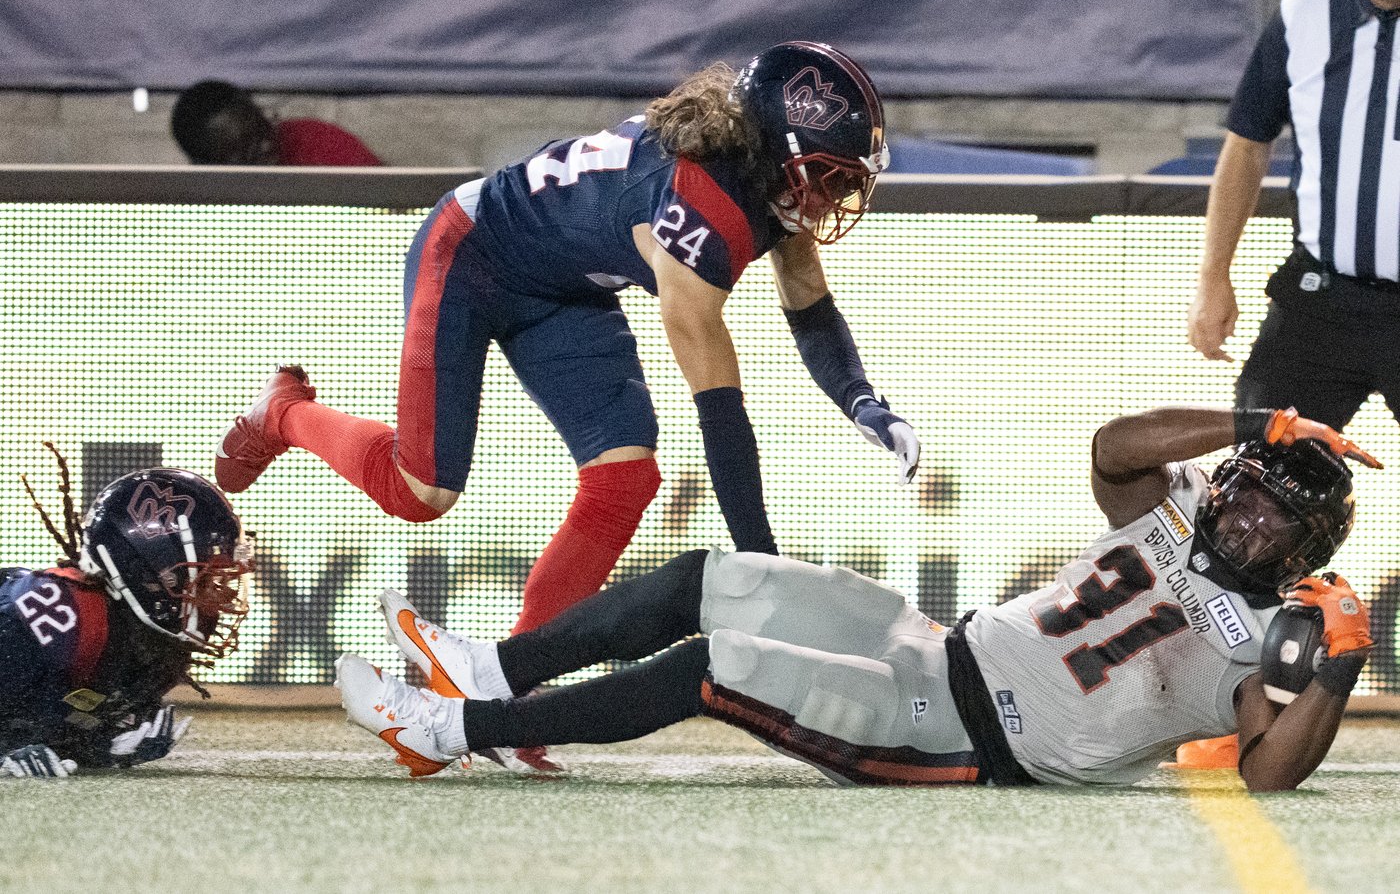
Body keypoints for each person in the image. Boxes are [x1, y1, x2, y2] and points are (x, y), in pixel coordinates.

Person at [214, 41, 919, 639]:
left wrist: (864, 403)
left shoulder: (758, 172)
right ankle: (282, 413)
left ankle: (509, 680)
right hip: (472, 254)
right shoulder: (699, 212)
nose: (831, 198)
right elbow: (722, 418)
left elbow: (809, 304)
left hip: (563, 283)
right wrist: (763, 567)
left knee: (624, 479)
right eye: (826, 176)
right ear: (774, 152)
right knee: (420, 490)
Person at [336, 406, 1378, 790]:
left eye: (1269, 516)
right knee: (713, 578)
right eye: (1245, 487)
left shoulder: (1277, 631)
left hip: (963, 734)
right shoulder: (1177, 500)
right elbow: (1112, 446)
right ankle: (490, 666)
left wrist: (1334, 663)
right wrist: (1257, 420)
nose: (1241, 515)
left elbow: (1268, 772)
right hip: (934, 642)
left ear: (1308, 546)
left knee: (718, 668)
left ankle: (455, 728)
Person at [1184, 0, 1400, 769]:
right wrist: (1216, 277)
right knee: (1249, 499)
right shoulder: (1304, 16)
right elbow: (1246, 145)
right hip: (1321, 300)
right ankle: (1225, 711)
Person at [0, 447, 252, 778]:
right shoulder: (70, 616)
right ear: (145, 572)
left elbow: (51, 725)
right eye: (202, 580)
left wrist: (99, 746)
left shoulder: (155, 649)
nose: (219, 598)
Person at [170, 79, 384, 166]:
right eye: (247, 149)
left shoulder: (317, 140)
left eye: (264, 127)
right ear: (208, 166)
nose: (266, 144)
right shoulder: (199, 208)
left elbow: (390, 204)